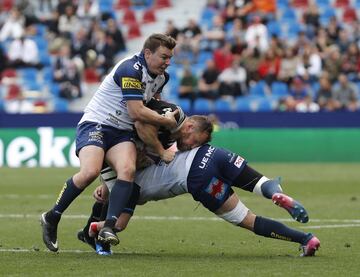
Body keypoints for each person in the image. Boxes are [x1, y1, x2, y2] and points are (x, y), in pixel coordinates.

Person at [40, 33, 183, 252]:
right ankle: (52, 216)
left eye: (170, 57)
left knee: (128, 169)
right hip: (96, 124)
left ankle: (107, 228)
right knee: (89, 172)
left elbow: (150, 105)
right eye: (164, 56)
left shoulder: (162, 77)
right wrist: (166, 121)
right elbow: (136, 111)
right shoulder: (131, 69)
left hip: (121, 131)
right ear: (147, 53)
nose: (168, 62)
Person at [79, 144, 320, 257]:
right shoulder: (132, 162)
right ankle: (276, 192)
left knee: (248, 219)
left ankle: (304, 239)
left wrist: (99, 227)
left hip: (197, 177)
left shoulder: (128, 188)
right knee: (260, 182)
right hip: (210, 152)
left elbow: (119, 224)